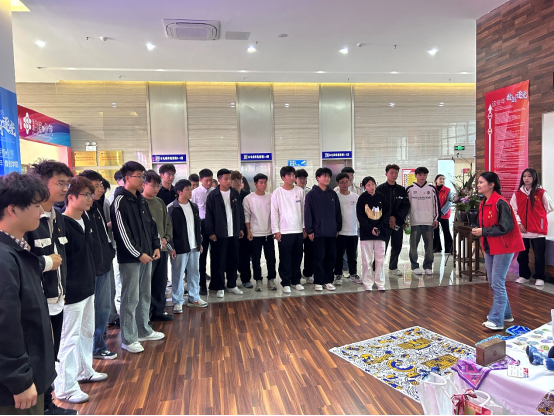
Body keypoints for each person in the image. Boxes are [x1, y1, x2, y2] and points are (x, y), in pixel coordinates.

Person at [0, 173, 57, 415]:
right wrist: (20, 379)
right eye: (36, 206)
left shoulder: (17, 250)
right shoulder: (4, 258)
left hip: (32, 373)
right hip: (15, 389)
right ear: (13, 209)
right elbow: (5, 325)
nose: (41, 212)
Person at [25, 161, 77, 415]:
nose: (65, 188)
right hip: (37, 302)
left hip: (58, 298)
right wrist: (46, 262)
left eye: (67, 183)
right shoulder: (29, 220)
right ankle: (42, 407)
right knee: (38, 357)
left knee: (51, 355)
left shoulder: (58, 217)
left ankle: (48, 404)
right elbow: (19, 262)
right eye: (60, 183)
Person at [55, 176, 108, 404]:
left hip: (88, 286)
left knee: (86, 332)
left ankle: (84, 370)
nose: (91, 198)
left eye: (91, 194)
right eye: (86, 194)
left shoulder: (85, 217)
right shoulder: (61, 223)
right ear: (71, 197)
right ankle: (65, 387)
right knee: (68, 339)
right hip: (71, 292)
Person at [111, 161, 164, 354]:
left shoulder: (140, 200)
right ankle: (128, 338)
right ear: (127, 178)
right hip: (131, 259)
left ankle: (143, 330)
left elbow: (151, 225)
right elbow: (122, 234)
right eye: (139, 176)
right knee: (130, 298)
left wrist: (156, 246)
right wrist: (138, 254)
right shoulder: (120, 201)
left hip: (147, 255)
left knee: (144, 295)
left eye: (143, 176)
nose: (142, 179)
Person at [472, 172, 524, 330]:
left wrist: (483, 231)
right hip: (490, 246)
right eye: (478, 182)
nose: (478, 185)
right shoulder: (484, 202)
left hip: (503, 247)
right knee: (494, 282)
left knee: (497, 282)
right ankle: (506, 314)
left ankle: (496, 320)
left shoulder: (500, 202)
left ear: (491, 184)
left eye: (481, 182)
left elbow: (505, 227)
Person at [78, 171, 118, 360]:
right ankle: (94, 348)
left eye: (101, 185)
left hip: (104, 264)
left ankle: (98, 344)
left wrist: (109, 253)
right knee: (90, 311)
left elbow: (103, 237)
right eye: (96, 186)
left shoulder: (97, 208)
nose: (100, 189)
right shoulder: (78, 213)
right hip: (89, 269)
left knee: (103, 308)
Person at [205, 169, 245, 298]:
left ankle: (232, 285)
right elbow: (209, 215)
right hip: (219, 234)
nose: (229, 181)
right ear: (219, 180)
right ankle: (220, 286)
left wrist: (240, 228)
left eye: (230, 179)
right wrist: (211, 232)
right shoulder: (213, 195)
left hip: (233, 233)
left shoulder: (235, 193)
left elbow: (240, 212)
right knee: (219, 261)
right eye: (226, 179)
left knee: (233, 260)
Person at [511, 168, 554, 286]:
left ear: (534, 177)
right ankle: (524, 275)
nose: (526, 178)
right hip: (523, 230)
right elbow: (513, 210)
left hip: (538, 231)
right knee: (522, 255)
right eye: (524, 176)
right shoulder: (517, 194)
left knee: (539, 256)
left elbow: (550, 207)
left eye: (529, 176)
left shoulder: (541, 192)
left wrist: (538, 218)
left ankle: (540, 277)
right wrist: (519, 223)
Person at [168, 179, 206, 309]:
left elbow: (197, 226)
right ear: (179, 192)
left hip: (194, 245)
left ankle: (194, 297)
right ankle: (177, 301)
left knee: (194, 273)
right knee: (178, 274)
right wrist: (171, 247)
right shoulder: (172, 208)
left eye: (191, 188)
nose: (191, 191)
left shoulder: (194, 206)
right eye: (188, 189)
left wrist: (199, 242)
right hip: (179, 247)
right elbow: (168, 229)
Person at [142, 170, 174, 321]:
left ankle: (159, 311)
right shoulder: (139, 203)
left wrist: (166, 238)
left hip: (162, 248)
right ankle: (146, 314)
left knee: (160, 282)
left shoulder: (160, 202)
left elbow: (167, 223)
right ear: (144, 184)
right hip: (148, 251)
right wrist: (154, 242)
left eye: (158, 186)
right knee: (147, 283)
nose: (156, 189)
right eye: (153, 185)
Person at [305, 167, 341, 291]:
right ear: (317, 178)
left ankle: (328, 280)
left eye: (328, 176)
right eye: (324, 176)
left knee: (331, 256)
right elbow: (308, 213)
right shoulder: (311, 194)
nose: (327, 178)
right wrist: (309, 230)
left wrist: (338, 228)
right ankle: (319, 281)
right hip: (317, 233)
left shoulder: (333, 194)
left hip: (331, 232)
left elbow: (337, 212)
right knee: (318, 257)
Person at [272, 166, 306, 293]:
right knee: (285, 257)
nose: (292, 178)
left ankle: (296, 280)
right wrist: (276, 230)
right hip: (284, 231)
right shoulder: (277, 193)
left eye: (293, 175)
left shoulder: (300, 191)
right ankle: (285, 281)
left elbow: (304, 211)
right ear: (283, 177)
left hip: (298, 230)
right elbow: (274, 213)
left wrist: (304, 227)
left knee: (298, 256)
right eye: (289, 175)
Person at [243, 173, 276, 291]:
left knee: (271, 258)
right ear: (255, 184)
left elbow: (275, 214)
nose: (263, 185)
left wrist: (275, 230)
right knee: (256, 259)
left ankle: (271, 279)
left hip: (269, 233)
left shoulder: (271, 197)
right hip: (255, 233)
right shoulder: (248, 198)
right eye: (261, 182)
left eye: (265, 182)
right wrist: (248, 232)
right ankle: (258, 280)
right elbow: (246, 216)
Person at [376, 164, 410, 276]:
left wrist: (395, 217)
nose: (394, 175)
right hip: (383, 223)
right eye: (391, 173)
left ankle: (393, 267)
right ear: (386, 174)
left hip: (397, 222)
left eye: (396, 173)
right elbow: (377, 207)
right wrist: (388, 218)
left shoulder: (401, 190)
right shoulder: (380, 189)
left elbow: (405, 206)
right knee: (382, 246)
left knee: (397, 245)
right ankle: (377, 267)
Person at [357, 176, 390, 291]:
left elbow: (387, 213)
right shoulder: (362, 198)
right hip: (366, 233)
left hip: (380, 232)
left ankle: (380, 282)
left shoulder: (382, 197)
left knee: (380, 259)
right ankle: (367, 282)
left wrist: (379, 227)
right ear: (364, 187)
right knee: (367, 259)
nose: (371, 187)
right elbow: (360, 216)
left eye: (373, 184)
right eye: (368, 185)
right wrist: (370, 228)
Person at [406, 167, 438, 275]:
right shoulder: (409, 189)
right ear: (415, 175)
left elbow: (436, 205)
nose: (422, 177)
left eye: (424, 175)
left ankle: (428, 266)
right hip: (414, 222)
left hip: (428, 222)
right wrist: (406, 220)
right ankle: (414, 266)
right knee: (413, 246)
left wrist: (436, 218)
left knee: (429, 246)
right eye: (420, 175)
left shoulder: (432, 189)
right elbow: (406, 206)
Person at [334, 172, 360, 284]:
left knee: (352, 255)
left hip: (353, 230)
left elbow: (359, 213)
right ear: (337, 184)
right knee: (338, 255)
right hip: (340, 232)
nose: (345, 184)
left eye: (346, 182)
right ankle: (338, 274)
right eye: (342, 182)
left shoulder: (355, 196)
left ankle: (353, 274)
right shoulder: (335, 196)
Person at [191, 168, 213, 296]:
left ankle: (215, 283)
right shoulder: (195, 193)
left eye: (210, 180)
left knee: (215, 255)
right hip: (201, 225)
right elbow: (192, 211)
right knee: (202, 256)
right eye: (206, 181)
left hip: (214, 225)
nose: (209, 183)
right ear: (200, 180)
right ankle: (202, 285)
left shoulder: (215, 192)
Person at [231, 170, 253, 288]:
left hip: (245, 229)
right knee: (233, 256)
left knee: (245, 255)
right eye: (234, 180)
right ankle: (232, 279)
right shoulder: (229, 195)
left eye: (239, 180)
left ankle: (246, 279)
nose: (237, 182)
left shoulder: (246, 195)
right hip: (232, 230)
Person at [295, 168, 313, 282]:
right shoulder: (292, 192)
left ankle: (308, 273)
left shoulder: (310, 192)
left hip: (309, 226)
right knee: (296, 253)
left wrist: (307, 227)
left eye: (304, 178)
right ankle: (296, 274)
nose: (302, 180)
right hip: (295, 227)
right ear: (295, 179)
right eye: (300, 178)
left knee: (309, 251)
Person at [433, 174, 453, 254]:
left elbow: (449, 202)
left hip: (444, 214)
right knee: (435, 231)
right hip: (434, 215)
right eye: (440, 179)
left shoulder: (447, 190)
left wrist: (441, 211)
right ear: (436, 180)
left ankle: (450, 249)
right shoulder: (432, 189)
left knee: (446, 231)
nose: (442, 180)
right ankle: (436, 248)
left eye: (443, 179)